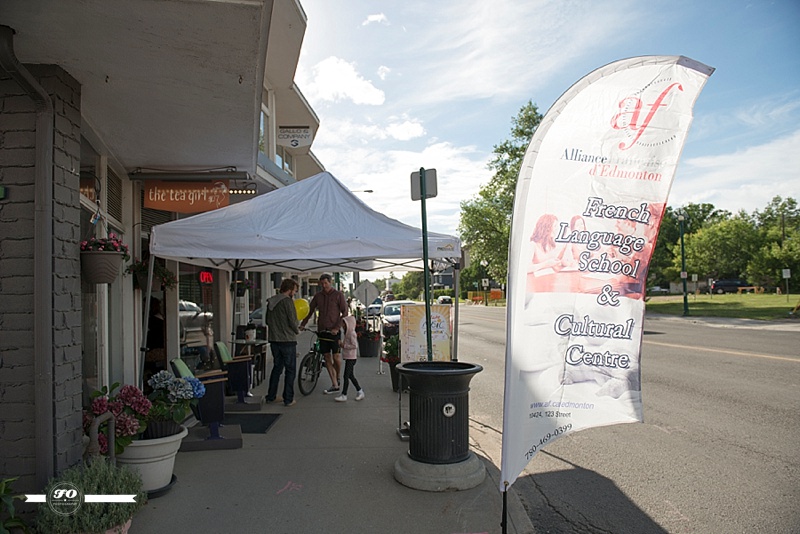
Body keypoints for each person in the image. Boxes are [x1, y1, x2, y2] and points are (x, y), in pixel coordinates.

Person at [300, 273, 348, 394]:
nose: (324, 285)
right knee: (326, 357)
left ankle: (338, 375)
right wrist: (303, 324)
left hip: (334, 331)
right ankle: (335, 384)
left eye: (326, 283)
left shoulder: (338, 295)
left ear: (330, 282)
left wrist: (337, 327)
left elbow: (345, 312)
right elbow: (310, 311)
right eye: (322, 283)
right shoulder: (318, 296)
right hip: (322, 330)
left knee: (336, 357)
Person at [265, 278, 301, 406]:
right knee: (290, 370)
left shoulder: (271, 301)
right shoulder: (287, 302)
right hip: (287, 340)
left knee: (277, 368)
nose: (294, 293)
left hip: (274, 340)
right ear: (289, 290)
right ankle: (288, 398)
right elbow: (293, 321)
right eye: (294, 291)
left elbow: (267, 321)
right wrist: (297, 330)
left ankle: (271, 396)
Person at [335, 315, 365, 402]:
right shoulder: (347, 333)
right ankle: (360, 391)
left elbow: (354, 345)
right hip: (349, 357)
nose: (343, 326)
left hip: (351, 357)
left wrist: (344, 346)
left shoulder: (351, 334)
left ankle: (344, 394)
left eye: (344, 324)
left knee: (346, 376)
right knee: (350, 376)